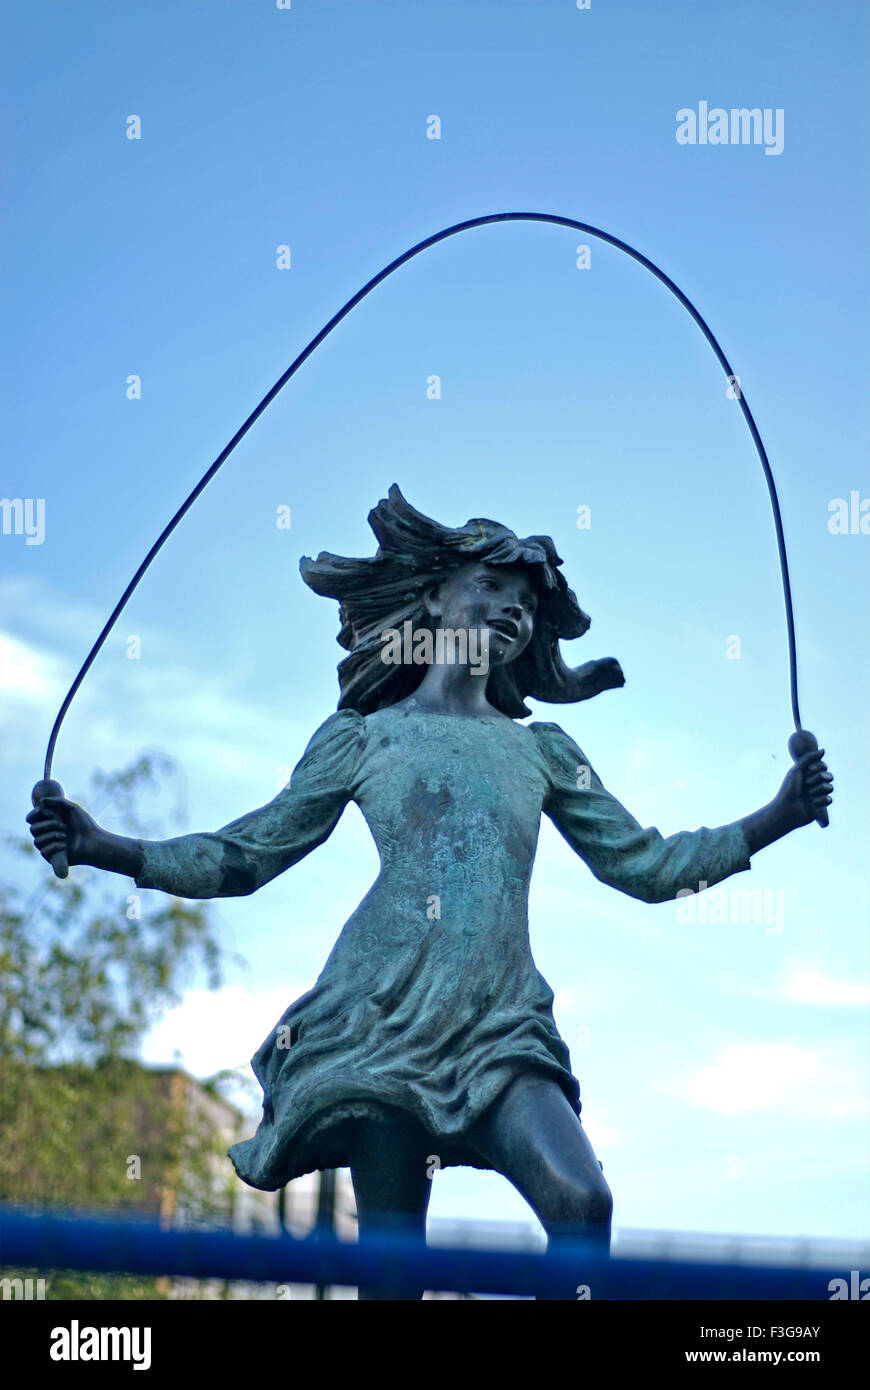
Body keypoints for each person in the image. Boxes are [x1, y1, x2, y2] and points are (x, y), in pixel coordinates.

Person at [28, 485, 833, 1299]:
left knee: (583, 1204)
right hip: (377, 1022)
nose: (510, 610)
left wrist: (778, 817)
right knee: (393, 1272)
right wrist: (105, 846)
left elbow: (647, 867)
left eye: (524, 603)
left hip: (500, 1023)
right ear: (435, 597)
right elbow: (247, 854)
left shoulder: (545, 750)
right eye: (489, 587)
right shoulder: (362, 737)